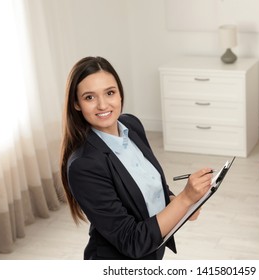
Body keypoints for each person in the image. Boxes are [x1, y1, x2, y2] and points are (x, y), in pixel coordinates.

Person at [60, 56, 213, 260]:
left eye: (110, 93)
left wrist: (185, 205)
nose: (103, 105)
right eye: (89, 97)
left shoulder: (131, 125)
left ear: (120, 94)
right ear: (76, 104)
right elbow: (131, 241)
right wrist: (185, 200)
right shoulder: (83, 165)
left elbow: (153, 187)